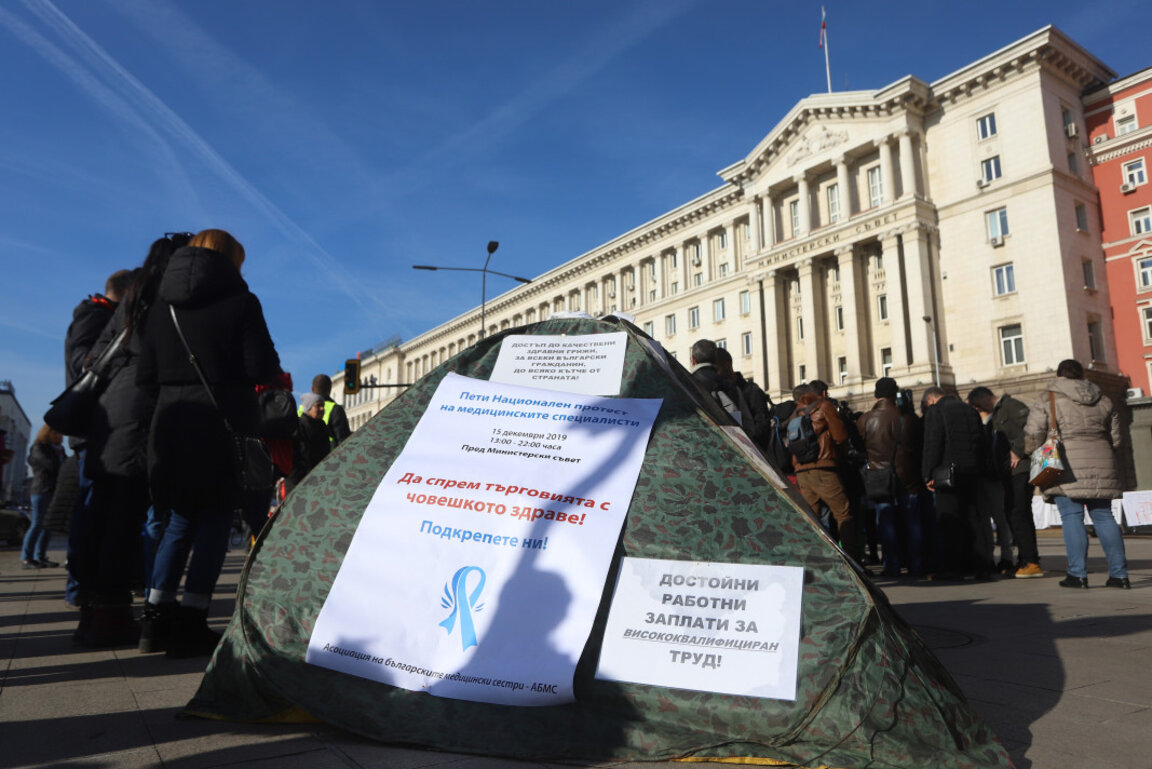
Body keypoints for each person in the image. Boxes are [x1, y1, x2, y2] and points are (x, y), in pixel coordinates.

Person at [136, 229, 284, 656]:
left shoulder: (162, 304)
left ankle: (154, 619)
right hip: (221, 423)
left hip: (171, 423)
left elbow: (145, 375)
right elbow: (262, 365)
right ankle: (191, 620)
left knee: (179, 522)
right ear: (232, 260)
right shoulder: (240, 301)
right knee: (215, 522)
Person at [70, 234, 188, 647]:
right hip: (140, 417)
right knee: (125, 520)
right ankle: (111, 615)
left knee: (99, 516)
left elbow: (91, 357)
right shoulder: (167, 298)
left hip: (110, 414)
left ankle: (92, 614)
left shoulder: (132, 298)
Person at [1025, 359, 1128, 589]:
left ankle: (1077, 574)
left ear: (1059, 374)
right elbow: (1117, 438)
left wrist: (1031, 451)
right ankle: (1120, 575)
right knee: (1104, 516)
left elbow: (1034, 432)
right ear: (1082, 375)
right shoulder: (1103, 398)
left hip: (1066, 462)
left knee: (1072, 517)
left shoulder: (1049, 396)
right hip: (1102, 460)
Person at [62, 270, 131, 605]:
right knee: (90, 509)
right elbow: (82, 362)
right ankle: (79, 589)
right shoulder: (94, 316)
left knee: (93, 509)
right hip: (94, 427)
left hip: (98, 426)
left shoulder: (96, 314)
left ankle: (83, 588)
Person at [968, 386, 1043, 578]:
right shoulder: (996, 415)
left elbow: (1031, 429)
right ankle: (1024, 560)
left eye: (977, 405)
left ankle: (1031, 561)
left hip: (1021, 468)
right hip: (1008, 471)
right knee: (1013, 514)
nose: (978, 410)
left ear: (985, 398)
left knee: (1019, 513)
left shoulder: (1011, 406)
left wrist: (1018, 451)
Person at [922, 386, 994, 580]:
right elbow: (981, 441)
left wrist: (927, 472)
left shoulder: (936, 411)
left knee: (950, 520)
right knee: (974, 519)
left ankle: (954, 568)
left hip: (947, 473)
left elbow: (932, 444)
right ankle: (982, 567)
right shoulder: (970, 410)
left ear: (931, 400)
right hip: (972, 472)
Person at [791, 383, 861, 562]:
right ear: (821, 394)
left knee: (812, 518)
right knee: (843, 513)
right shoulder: (825, 406)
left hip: (801, 470)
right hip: (824, 467)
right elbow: (841, 436)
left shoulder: (796, 412)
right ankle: (853, 562)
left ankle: (814, 561)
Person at [857, 377, 907, 577]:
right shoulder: (906, 416)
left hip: (879, 477)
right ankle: (914, 562)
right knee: (909, 519)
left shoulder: (866, 419)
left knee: (884, 520)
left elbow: (859, 446)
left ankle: (891, 564)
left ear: (876, 395)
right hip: (906, 475)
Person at [689, 339, 754, 434]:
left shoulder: (685, 384)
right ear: (716, 359)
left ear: (693, 361)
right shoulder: (731, 386)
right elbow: (749, 425)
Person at [24, 425, 66, 569]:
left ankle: (40, 556)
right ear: (49, 433)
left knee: (48, 525)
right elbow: (50, 464)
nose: (61, 436)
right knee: (37, 523)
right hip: (42, 489)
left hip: (54, 489)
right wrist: (60, 457)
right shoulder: (39, 447)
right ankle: (26, 558)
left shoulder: (59, 449)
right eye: (58, 433)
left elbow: (65, 467)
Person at [289, 393, 332, 493]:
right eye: (318, 406)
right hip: (299, 481)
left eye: (323, 406)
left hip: (319, 480)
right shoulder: (299, 426)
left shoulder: (323, 427)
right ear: (309, 408)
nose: (322, 409)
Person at [308, 374, 351, 446]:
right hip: (328, 455)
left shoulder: (301, 409)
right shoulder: (335, 409)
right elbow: (343, 441)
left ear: (312, 389)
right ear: (330, 389)